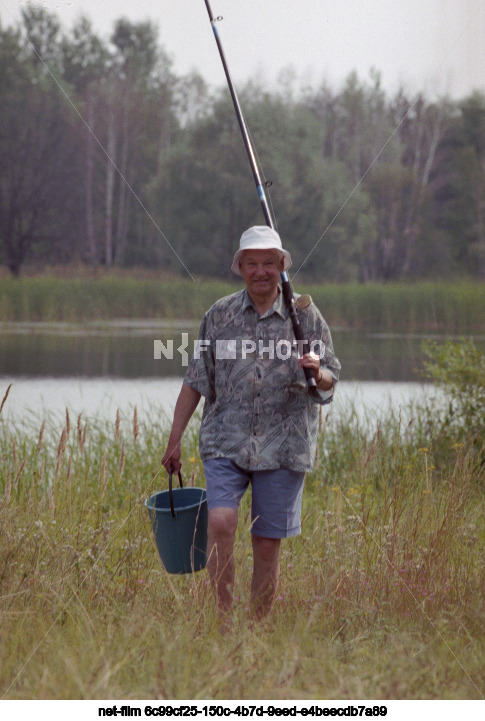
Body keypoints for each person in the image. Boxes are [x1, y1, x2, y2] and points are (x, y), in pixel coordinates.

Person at [161, 226, 340, 621]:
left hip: (284, 445)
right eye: (252, 264)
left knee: (265, 543)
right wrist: (175, 439)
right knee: (221, 520)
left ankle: (257, 629)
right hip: (226, 439)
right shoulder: (219, 315)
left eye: (269, 264)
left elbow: (331, 379)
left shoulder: (305, 318)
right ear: (240, 267)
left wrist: (316, 369)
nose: (261, 272)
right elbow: (195, 381)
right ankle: (224, 622)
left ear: (281, 267)